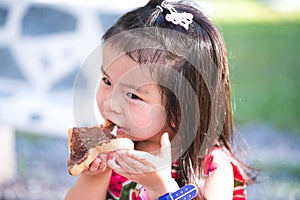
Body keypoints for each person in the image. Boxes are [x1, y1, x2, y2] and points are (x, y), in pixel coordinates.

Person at [66, 0, 256, 199]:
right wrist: (97, 174)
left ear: (180, 111)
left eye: (133, 95)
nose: (109, 103)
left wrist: (161, 188)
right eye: (106, 80)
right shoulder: (118, 149)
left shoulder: (212, 168)